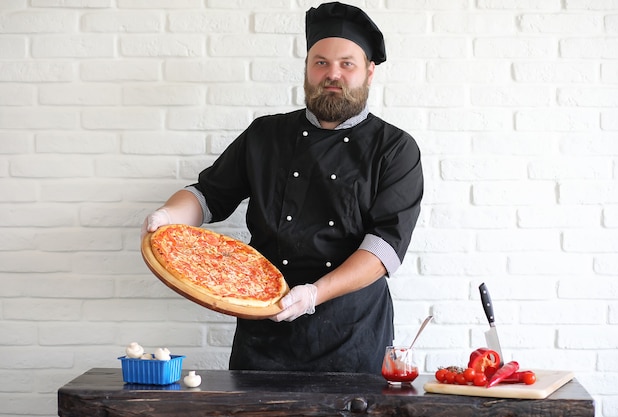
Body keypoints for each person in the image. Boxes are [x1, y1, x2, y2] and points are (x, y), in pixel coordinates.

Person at [142, 1, 423, 374]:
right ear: (307, 67)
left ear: (369, 73)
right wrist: (169, 215)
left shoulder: (394, 148)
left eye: (347, 64)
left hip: (350, 331)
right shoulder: (265, 134)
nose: (332, 74)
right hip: (263, 325)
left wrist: (313, 294)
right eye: (320, 61)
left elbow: (384, 248)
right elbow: (207, 195)